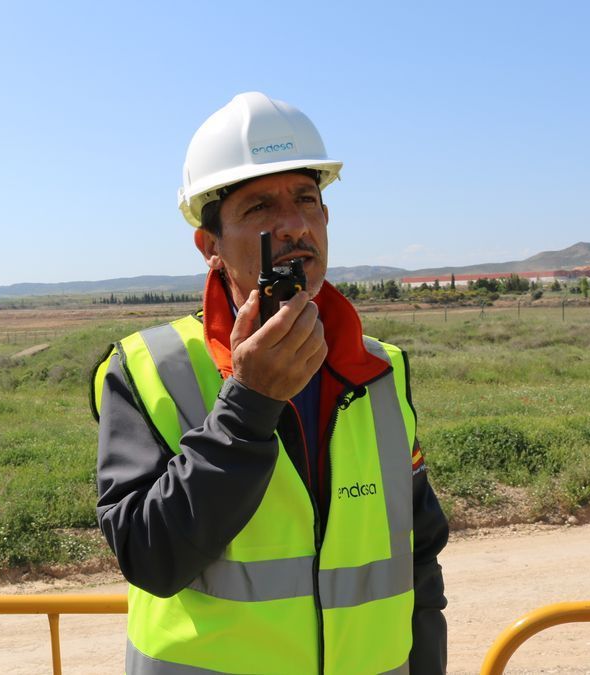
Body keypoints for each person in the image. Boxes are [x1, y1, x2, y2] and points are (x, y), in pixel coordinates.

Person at [90, 92, 448, 674]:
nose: (294, 224)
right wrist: (248, 406)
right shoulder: (149, 369)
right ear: (210, 246)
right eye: (259, 207)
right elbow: (149, 556)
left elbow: (420, 561)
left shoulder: (380, 370)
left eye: (307, 199)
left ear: (326, 219)